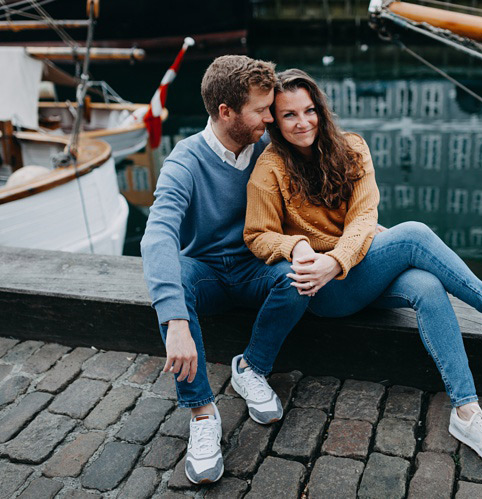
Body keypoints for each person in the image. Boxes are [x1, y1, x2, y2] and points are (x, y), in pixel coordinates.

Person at [243, 68, 482, 470]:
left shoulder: (351, 148)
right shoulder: (270, 169)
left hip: (356, 269)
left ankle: (467, 413)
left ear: (320, 109)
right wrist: (297, 246)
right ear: (276, 122)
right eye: (289, 115)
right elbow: (258, 235)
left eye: (309, 110)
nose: (303, 122)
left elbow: (363, 218)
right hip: (325, 292)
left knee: (426, 286)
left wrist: (337, 259)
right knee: (413, 234)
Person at [141, 55, 314, 485]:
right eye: (261, 110)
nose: (270, 118)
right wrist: (176, 320)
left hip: (258, 268)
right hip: (207, 274)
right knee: (178, 275)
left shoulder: (270, 152)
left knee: (302, 276)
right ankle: (202, 412)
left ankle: (250, 367)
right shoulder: (185, 161)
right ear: (225, 112)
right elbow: (157, 236)